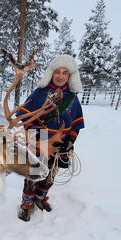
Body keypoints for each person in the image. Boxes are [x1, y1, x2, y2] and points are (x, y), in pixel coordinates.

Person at [16, 55, 85, 222]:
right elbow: (23, 116)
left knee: (50, 177)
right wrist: (33, 134)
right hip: (39, 141)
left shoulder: (73, 99)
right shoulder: (39, 93)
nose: (60, 76)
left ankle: (40, 198)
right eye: (57, 72)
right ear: (51, 73)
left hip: (61, 145)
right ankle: (26, 205)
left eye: (65, 73)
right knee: (34, 175)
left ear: (70, 76)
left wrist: (70, 141)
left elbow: (76, 125)